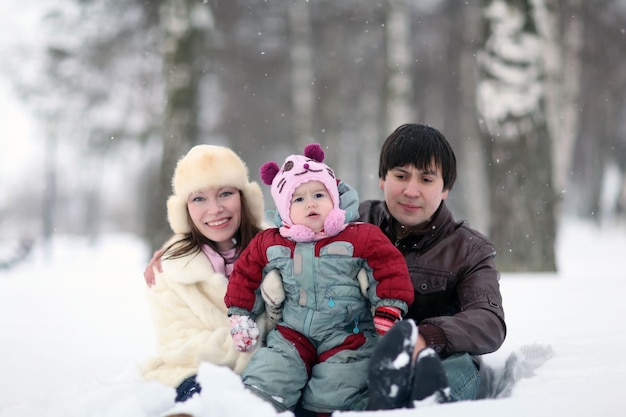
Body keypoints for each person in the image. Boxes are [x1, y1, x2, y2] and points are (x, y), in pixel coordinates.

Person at [223, 143, 415, 415]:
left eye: (318, 194)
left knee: (339, 387)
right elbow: (245, 273)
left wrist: (389, 306)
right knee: (268, 376)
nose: (310, 203)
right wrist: (240, 315)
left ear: (334, 197)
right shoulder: (271, 242)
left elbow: (389, 266)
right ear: (285, 210)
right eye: (298, 199)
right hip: (292, 332)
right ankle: (258, 407)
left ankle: (322, 409)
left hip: (348, 332)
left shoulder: (360, 235)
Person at [360, 123, 507, 409]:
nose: (411, 191)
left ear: (445, 189)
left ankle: (427, 404)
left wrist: (424, 337)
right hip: (362, 354)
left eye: (426, 180)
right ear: (382, 179)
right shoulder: (355, 222)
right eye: (401, 176)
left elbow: (489, 322)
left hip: (437, 360)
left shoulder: (469, 249)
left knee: (457, 367)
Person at [141, 144, 275, 403]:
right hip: (197, 377)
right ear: (185, 209)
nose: (215, 209)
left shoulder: (278, 251)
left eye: (225, 193)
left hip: (277, 374)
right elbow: (180, 346)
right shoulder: (170, 269)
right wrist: (259, 346)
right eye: (199, 198)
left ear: (243, 198)